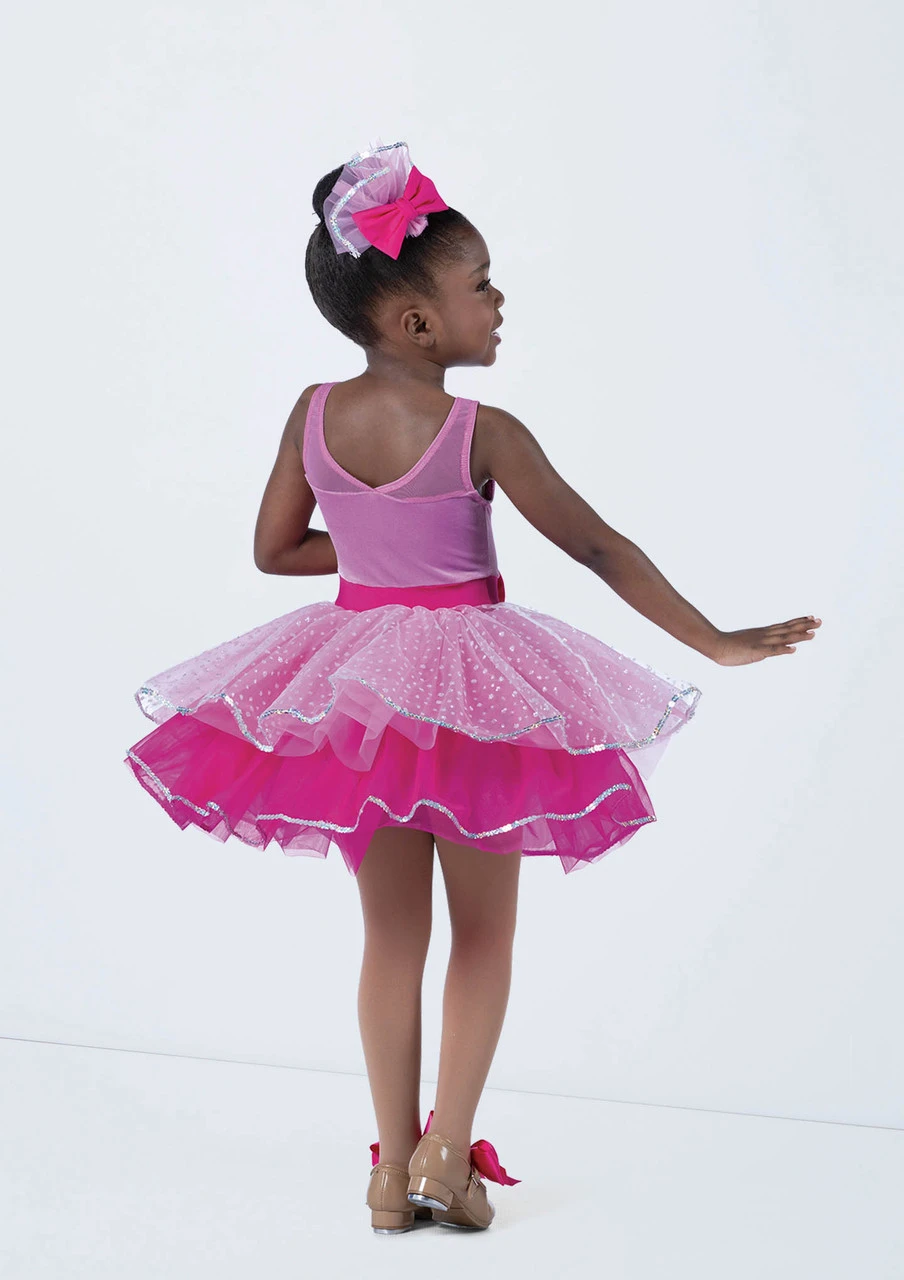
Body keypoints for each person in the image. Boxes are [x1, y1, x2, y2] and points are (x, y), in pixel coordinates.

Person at [123, 138, 822, 1234]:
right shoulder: (480, 432)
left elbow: (275, 549)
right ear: (416, 322)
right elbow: (597, 546)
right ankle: (447, 1156)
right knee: (483, 935)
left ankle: (387, 1172)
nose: (499, 303)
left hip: (357, 696)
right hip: (475, 695)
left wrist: (375, 556)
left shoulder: (313, 413)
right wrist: (714, 640)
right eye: (482, 284)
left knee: (389, 938)